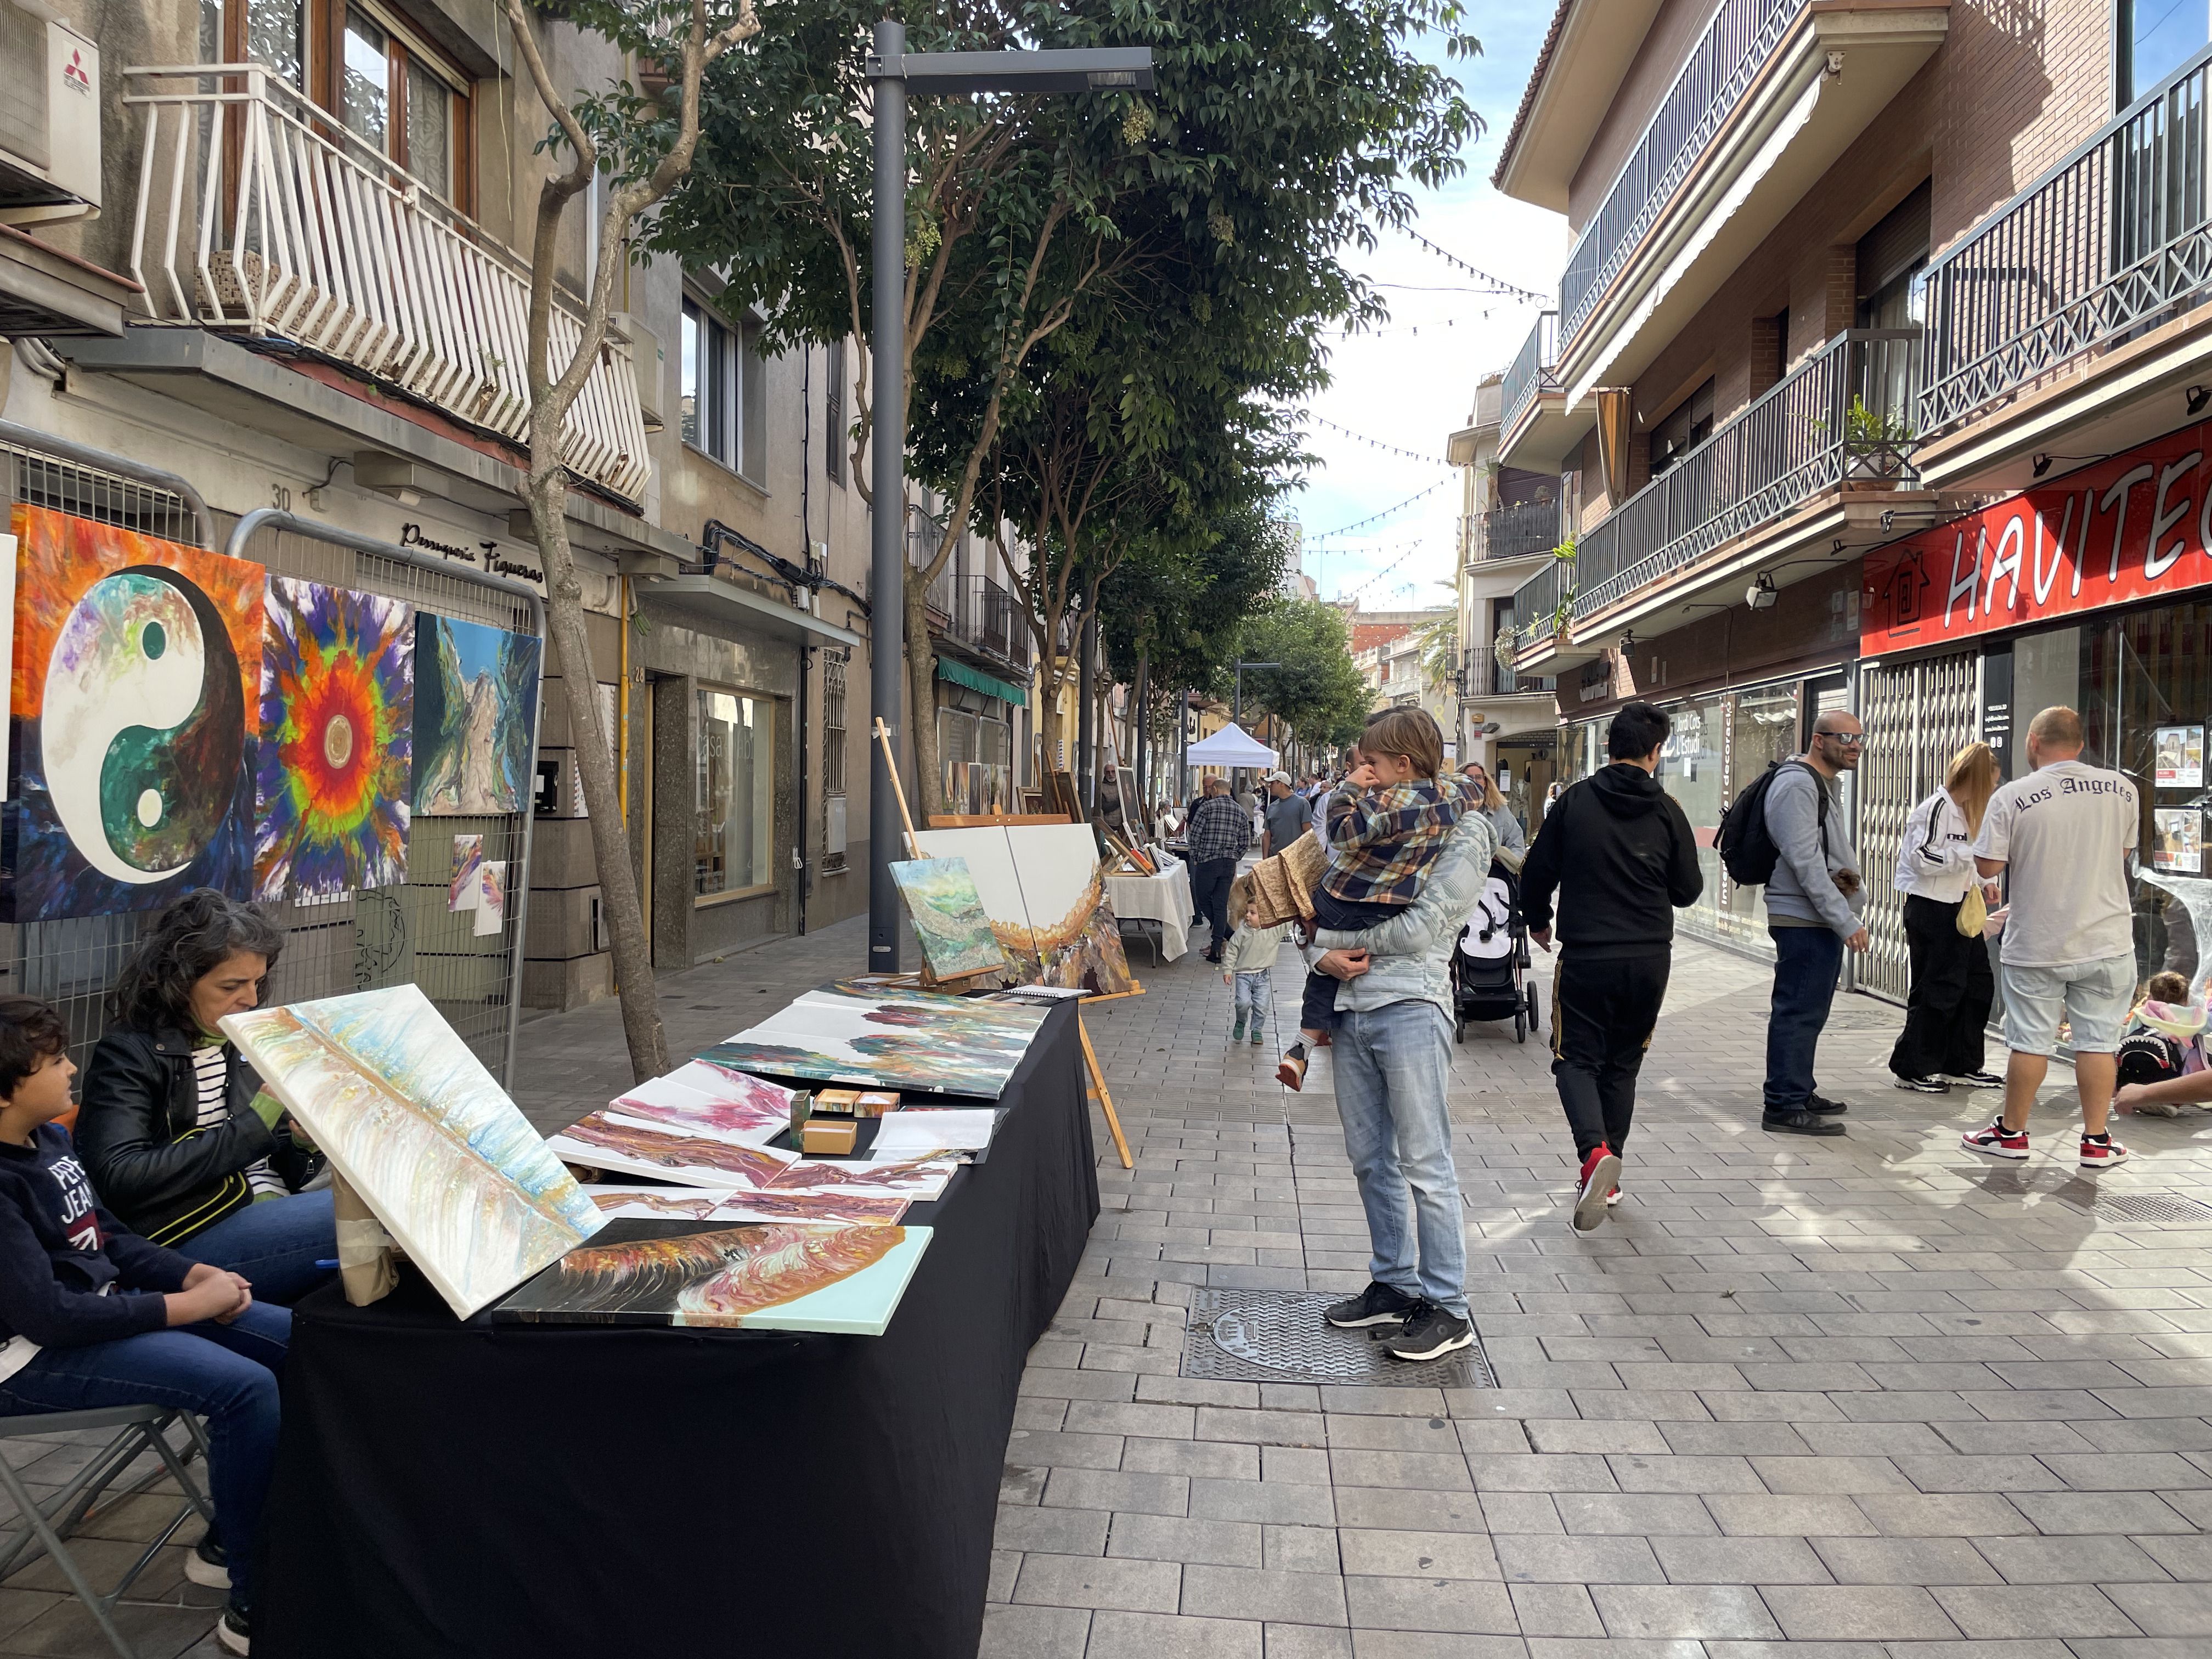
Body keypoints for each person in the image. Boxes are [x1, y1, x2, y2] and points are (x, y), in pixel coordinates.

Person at [0, 994, 281, 1657]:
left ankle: (250, 1535)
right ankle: (255, 1592)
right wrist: (183, 1308)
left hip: (100, 1312)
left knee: (301, 1342)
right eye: (56, 1060)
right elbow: (47, 1315)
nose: (74, 1069)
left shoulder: (49, 1137)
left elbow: (110, 1237)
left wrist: (193, 1277)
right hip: (27, 1358)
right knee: (245, 1388)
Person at [1307, 787, 1497, 1362]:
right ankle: (1394, 1282)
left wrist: (1328, 942)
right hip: (1350, 1008)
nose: (1361, 779)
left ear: (1406, 765)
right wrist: (1318, 951)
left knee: (1426, 1164)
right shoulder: (1364, 831)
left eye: (1373, 765)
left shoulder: (1464, 832)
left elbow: (1420, 930)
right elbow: (1313, 904)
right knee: (1371, 1159)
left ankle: (1449, 1307)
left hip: (1412, 1008)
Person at [77, 890, 336, 1302]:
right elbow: (120, 1178)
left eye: (258, 981)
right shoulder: (129, 1054)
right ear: (179, 984)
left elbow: (272, 1162)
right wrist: (257, 1123)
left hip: (267, 1209)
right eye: (232, 985)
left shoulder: (241, 1037)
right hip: (188, 1240)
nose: (251, 999)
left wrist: (303, 1143)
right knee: (357, 1218)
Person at [1520, 701, 1702, 1231]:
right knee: (1623, 1063)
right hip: (1649, 958)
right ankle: (1610, 1176)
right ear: (1655, 752)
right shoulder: (1668, 809)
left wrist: (1538, 920)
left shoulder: (1574, 802)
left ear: (1608, 747)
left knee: (1575, 1059)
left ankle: (1595, 1154)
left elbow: (1535, 871)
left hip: (1587, 955)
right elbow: (1689, 891)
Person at [1963, 705, 2138, 1169]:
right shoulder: (2123, 789)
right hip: (2108, 939)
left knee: (2030, 1042)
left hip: (2038, 940)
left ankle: (2012, 1134)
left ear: (2034, 743)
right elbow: (2121, 853)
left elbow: (1987, 867)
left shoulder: (2013, 796)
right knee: (2098, 1042)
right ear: (2080, 744)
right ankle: (2097, 1142)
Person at [1276, 711, 1477, 1091]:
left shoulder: (1383, 804)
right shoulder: (1451, 798)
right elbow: (1472, 788)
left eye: (1372, 763)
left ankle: (1301, 1046)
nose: (1366, 769)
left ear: (1402, 764)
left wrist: (1348, 789)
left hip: (1342, 901)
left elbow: (1339, 833)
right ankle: (1306, 1042)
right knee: (1329, 970)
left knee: (1322, 973)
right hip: (1390, 907)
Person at [1760, 710, 1870, 1136]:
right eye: (1845, 737)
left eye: (1860, 737)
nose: (1855, 745)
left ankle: (1799, 1089)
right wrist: (1844, 919)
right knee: (1797, 1011)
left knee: (1811, 1011)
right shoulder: (1797, 785)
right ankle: (1783, 1105)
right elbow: (1805, 862)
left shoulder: (1823, 785)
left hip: (1817, 918)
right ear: (1818, 740)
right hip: (1803, 919)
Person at [1889, 742, 2005, 1093]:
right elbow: (1921, 857)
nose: (1996, 789)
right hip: (1932, 907)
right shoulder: (1936, 808)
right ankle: (1913, 1067)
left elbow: (1970, 861)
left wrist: (1986, 881)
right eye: (1993, 782)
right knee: (1937, 987)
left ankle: (1962, 1063)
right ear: (1979, 779)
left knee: (1976, 983)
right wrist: (1971, 856)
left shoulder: (1970, 812)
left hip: (1962, 907)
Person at [2113, 972, 2211, 1118]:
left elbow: (2133, 1036)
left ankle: (2146, 1096)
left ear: (2150, 997)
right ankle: (2171, 1100)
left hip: (2140, 1070)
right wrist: (2209, 1000)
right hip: (2178, 1074)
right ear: (2186, 1000)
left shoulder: (2143, 1013)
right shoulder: (2192, 1017)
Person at [1184, 777, 1251, 963]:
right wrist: (1235, 856)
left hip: (1208, 862)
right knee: (1220, 904)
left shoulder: (1206, 808)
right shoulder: (1240, 811)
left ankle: (1226, 939)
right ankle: (1218, 946)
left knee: (1203, 899)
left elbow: (1194, 835)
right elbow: (1245, 841)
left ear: (1215, 789)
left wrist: (1196, 856)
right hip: (1228, 863)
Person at [1220, 873, 1289, 1047]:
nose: (1248, 916)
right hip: (1243, 975)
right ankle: (1241, 1021)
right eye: (1247, 912)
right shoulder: (1241, 933)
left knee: (1262, 1006)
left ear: (1265, 915)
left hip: (1263, 976)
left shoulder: (1273, 931)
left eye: (1253, 913)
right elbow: (1232, 951)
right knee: (1242, 1003)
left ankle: (1257, 1030)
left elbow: (1288, 920)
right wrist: (1228, 970)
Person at [1459, 759, 1527, 857]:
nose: (1474, 781)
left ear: (1485, 782)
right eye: (1469, 778)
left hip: (1492, 870)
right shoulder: (1451, 809)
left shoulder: (1499, 809)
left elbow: (1517, 844)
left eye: (1479, 777)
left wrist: (1506, 865)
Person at [1261, 770, 1310, 859]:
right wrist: (1265, 859)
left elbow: (1307, 833)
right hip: (1275, 858)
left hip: (1295, 858)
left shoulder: (1302, 804)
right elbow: (1267, 835)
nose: (1269, 786)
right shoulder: (1272, 807)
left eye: (1272, 783)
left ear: (1281, 784)